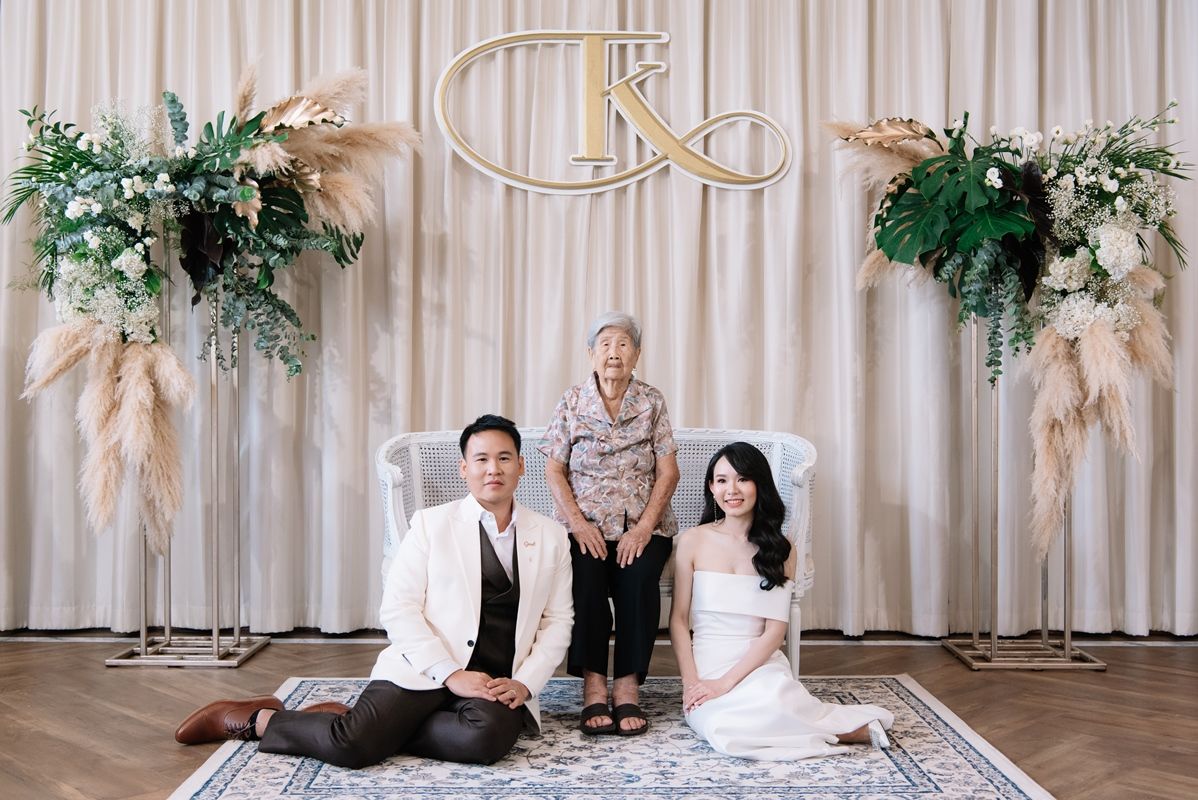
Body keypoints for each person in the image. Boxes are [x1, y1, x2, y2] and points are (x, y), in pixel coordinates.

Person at [174, 415, 574, 768]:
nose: (493, 469)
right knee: (351, 748)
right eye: (481, 459)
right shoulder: (431, 525)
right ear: (463, 468)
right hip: (425, 667)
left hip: (495, 682)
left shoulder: (551, 536)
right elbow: (399, 608)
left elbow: (558, 621)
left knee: (485, 740)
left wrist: (524, 683)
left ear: (522, 465)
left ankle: (359, 723)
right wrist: (450, 674)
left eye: (504, 458)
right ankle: (257, 719)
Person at [670, 442, 894, 760]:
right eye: (721, 480)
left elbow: (774, 632)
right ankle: (840, 732)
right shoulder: (692, 540)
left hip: (757, 660)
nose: (731, 490)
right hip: (709, 660)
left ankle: (834, 727)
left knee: (773, 702)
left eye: (742, 479)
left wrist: (726, 683)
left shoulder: (781, 548)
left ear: (759, 484)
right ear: (711, 487)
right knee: (724, 729)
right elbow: (679, 620)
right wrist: (692, 681)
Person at [541, 311, 680, 736]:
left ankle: (627, 687)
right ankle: (594, 687)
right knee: (585, 580)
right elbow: (554, 469)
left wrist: (643, 528)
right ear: (591, 354)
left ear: (636, 354)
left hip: (644, 525)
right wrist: (578, 524)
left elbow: (668, 471)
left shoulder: (651, 401)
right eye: (605, 345)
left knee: (638, 580)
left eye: (623, 344)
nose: (614, 353)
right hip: (584, 525)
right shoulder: (571, 401)